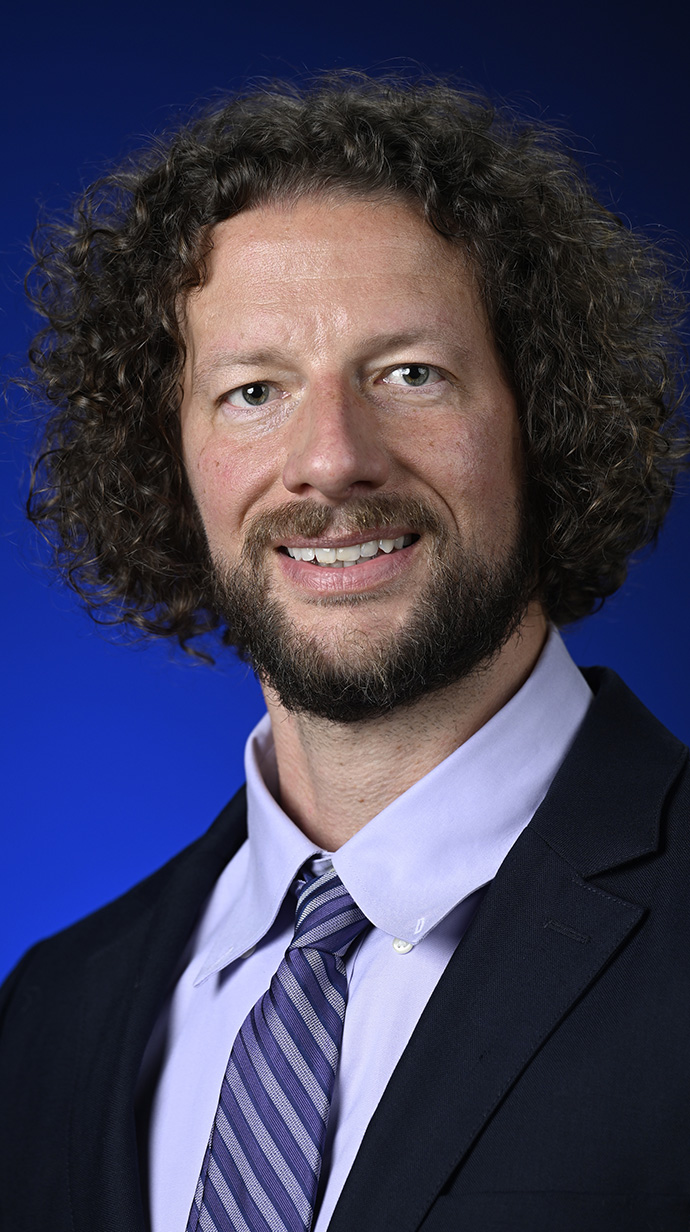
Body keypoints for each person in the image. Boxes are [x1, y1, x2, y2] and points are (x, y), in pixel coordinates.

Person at [1, 72, 689, 1232]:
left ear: (545, 416)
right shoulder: (50, 1013)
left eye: (408, 373)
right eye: (254, 389)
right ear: (169, 463)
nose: (330, 459)